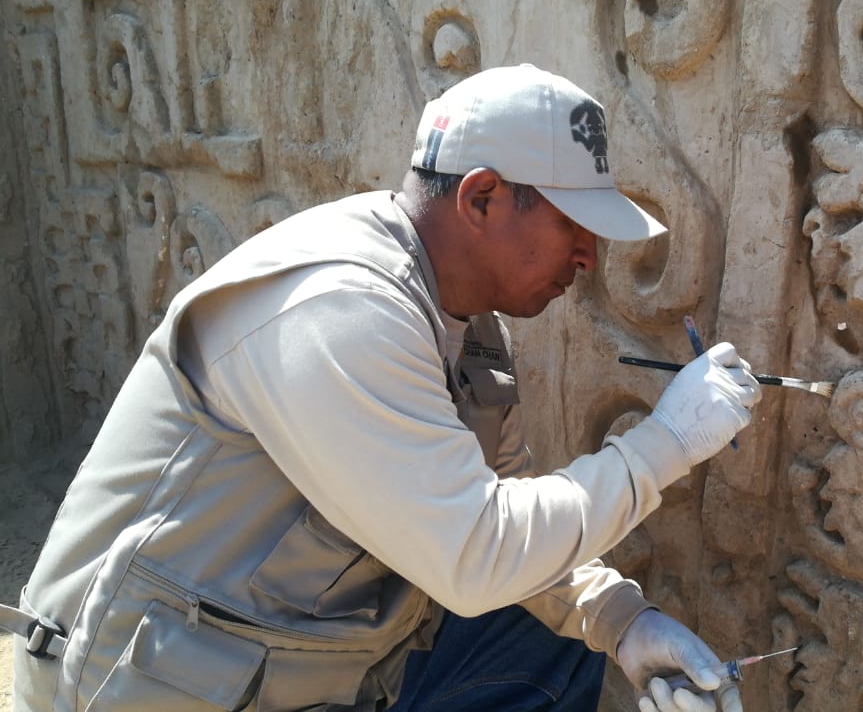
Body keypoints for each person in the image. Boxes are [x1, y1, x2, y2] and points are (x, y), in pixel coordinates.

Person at [0, 64, 760, 711]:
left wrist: (623, 622)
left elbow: (506, 506)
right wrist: (666, 443)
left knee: (551, 637)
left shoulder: (468, 327)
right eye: (573, 223)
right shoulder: (340, 307)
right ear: (482, 198)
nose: (589, 255)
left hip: (295, 662)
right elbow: (478, 555)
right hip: (144, 685)